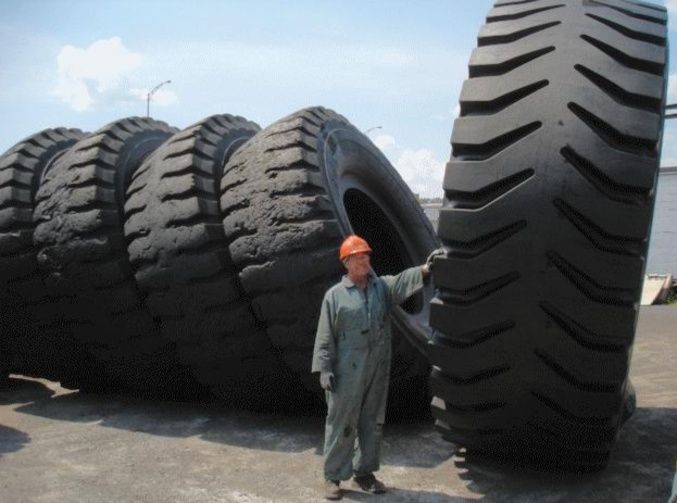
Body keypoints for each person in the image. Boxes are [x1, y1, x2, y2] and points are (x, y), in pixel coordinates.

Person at [312, 235, 443, 500]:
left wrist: (426, 269)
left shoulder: (380, 288)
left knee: (372, 421)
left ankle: (365, 473)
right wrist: (324, 369)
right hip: (346, 370)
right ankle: (333, 476)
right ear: (346, 262)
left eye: (366, 256)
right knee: (341, 422)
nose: (364, 261)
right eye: (359, 257)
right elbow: (325, 337)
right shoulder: (334, 297)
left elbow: (402, 281)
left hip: (376, 367)